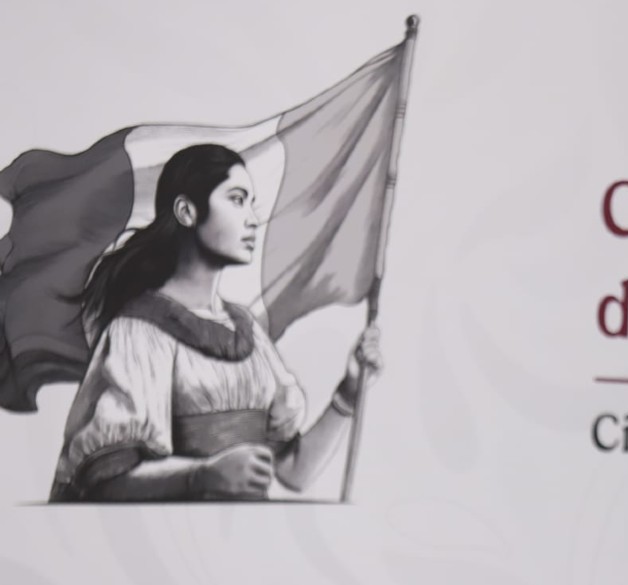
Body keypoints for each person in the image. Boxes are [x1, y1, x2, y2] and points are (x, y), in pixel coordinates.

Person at [48, 144, 381, 501]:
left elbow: (294, 472)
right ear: (186, 211)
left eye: (251, 202)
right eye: (237, 200)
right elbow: (106, 483)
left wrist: (349, 391)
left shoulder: (248, 331)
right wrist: (202, 476)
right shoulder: (139, 332)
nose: (252, 218)